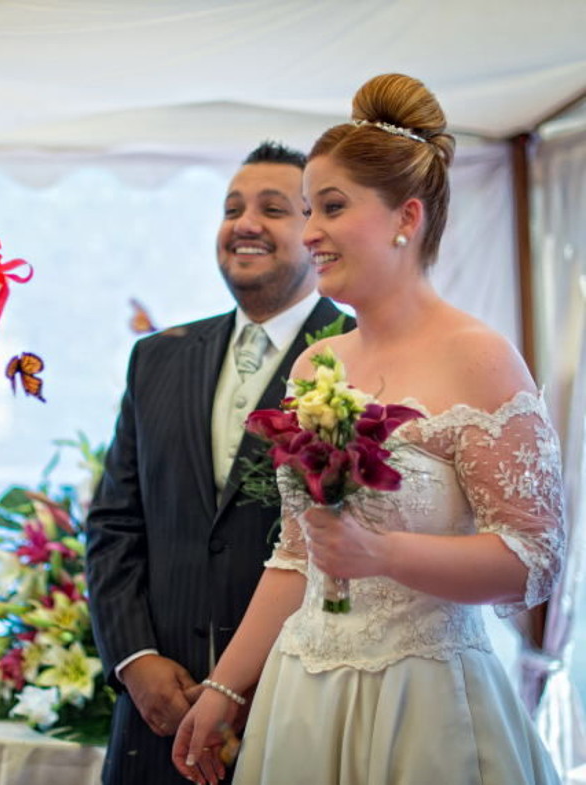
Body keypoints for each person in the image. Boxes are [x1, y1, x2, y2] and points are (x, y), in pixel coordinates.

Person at [172, 73, 564, 785]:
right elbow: (297, 555)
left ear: (404, 217)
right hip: (305, 694)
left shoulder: (480, 357)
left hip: (426, 703)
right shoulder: (317, 364)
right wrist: (225, 688)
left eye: (330, 207)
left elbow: (532, 560)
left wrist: (382, 552)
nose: (310, 232)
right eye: (306, 209)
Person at [85, 141, 354, 785]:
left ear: (316, 231)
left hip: (296, 700)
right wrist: (134, 657)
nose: (245, 223)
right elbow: (115, 522)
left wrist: (249, 677)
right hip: (159, 717)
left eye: (273, 209)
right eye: (232, 207)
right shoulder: (157, 358)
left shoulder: (357, 352)